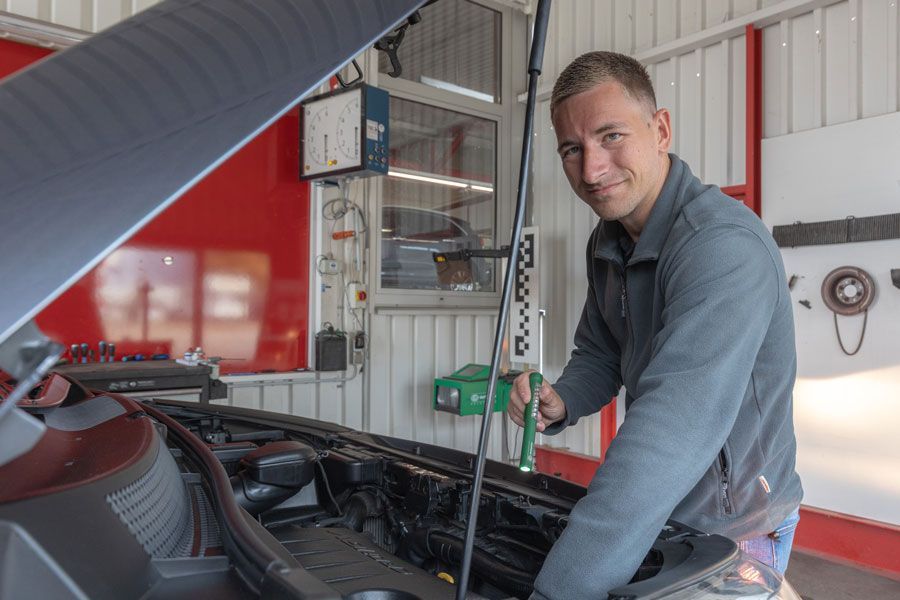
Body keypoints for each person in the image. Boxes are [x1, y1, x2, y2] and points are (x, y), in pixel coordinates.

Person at [506, 51, 803, 600]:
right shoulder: (610, 238)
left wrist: (558, 591)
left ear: (660, 129)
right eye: (572, 149)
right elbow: (599, 352)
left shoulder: (721, 247)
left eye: (611, 136)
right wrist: (563, 399)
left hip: (731, 525)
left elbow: (673, 428)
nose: (592, 169)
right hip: (660, 508)